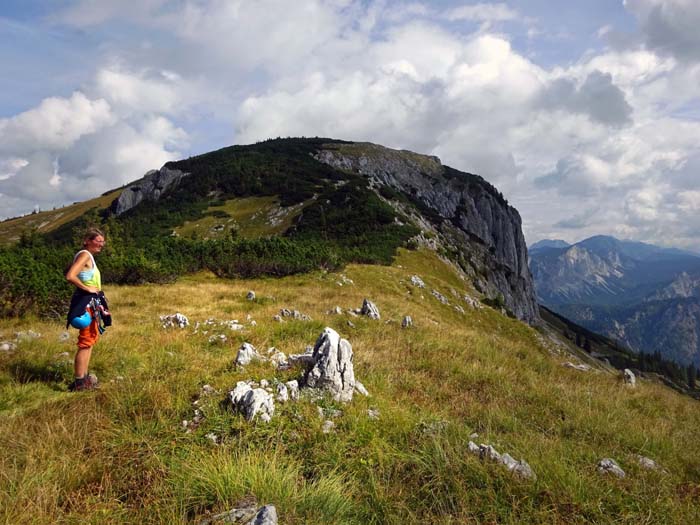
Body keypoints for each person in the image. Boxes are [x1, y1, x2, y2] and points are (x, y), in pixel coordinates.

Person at [65, 227, 107, 391]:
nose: (101, 245)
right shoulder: (84, 255)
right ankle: (80, 382)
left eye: (103, 242)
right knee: (86, 342)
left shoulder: (87, 256)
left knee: (89, 340)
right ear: (87, 241)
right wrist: (87, 289)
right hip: (86, 304)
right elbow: (70, 275)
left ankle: (84, 377)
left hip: (92, 303)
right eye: (98, 241)